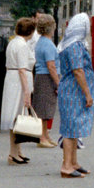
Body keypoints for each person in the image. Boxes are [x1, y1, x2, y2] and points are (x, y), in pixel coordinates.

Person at [56, 12, 94, 178]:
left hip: (71, 90)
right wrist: (87, 94)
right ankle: (66, 166)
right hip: (73, 91)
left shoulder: (70, 44)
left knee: (73, 128)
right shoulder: (74, 46)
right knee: (70, 129)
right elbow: (78, 71)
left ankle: (73, 162)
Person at [0, 17, 37, 164]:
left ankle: (17, 151)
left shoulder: (13, 42)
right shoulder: (22, 46)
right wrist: (27, 92)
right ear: (30, 31)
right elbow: (22, 69)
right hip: (19, 83)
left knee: (17, 117)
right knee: (17, 117)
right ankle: (13, 154)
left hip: (12, 79)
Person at [32, 13, 60, 148]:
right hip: (46, 78)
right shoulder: (48, 44)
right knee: (45, 108)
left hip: (41, 77)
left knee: (45, 107)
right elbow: (51, 66)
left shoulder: (41, 42)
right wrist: (58, 83)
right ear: (51, 27)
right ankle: (42, 137)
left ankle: (45, 135)